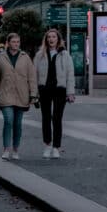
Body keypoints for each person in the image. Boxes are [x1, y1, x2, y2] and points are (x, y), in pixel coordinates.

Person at [0, 32, 37, 160]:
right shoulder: (1, 58)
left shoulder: (25, 57)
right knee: (8, 120)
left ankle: (15, 149)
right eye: (13, 42)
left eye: (18, 42)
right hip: (6, 94)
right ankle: (6, 148)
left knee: (18, 124)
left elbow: (32, 77)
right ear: (8, 43)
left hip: (22, 95)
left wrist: (33, 94)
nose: (16, 44)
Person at [34, 27, 75, 158]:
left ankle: (56, 147)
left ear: (58, 39)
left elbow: (70, 74)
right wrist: (34, 93)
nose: (51, 39)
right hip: (44, 89)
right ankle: (47, 145)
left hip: (59, 90)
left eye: (54, 37)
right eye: (49, 37)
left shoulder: (65, 54)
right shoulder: (39, 55)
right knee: (46, 118)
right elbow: (34, 75)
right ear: (46, 40)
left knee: (57, 118)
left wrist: (70, 92)